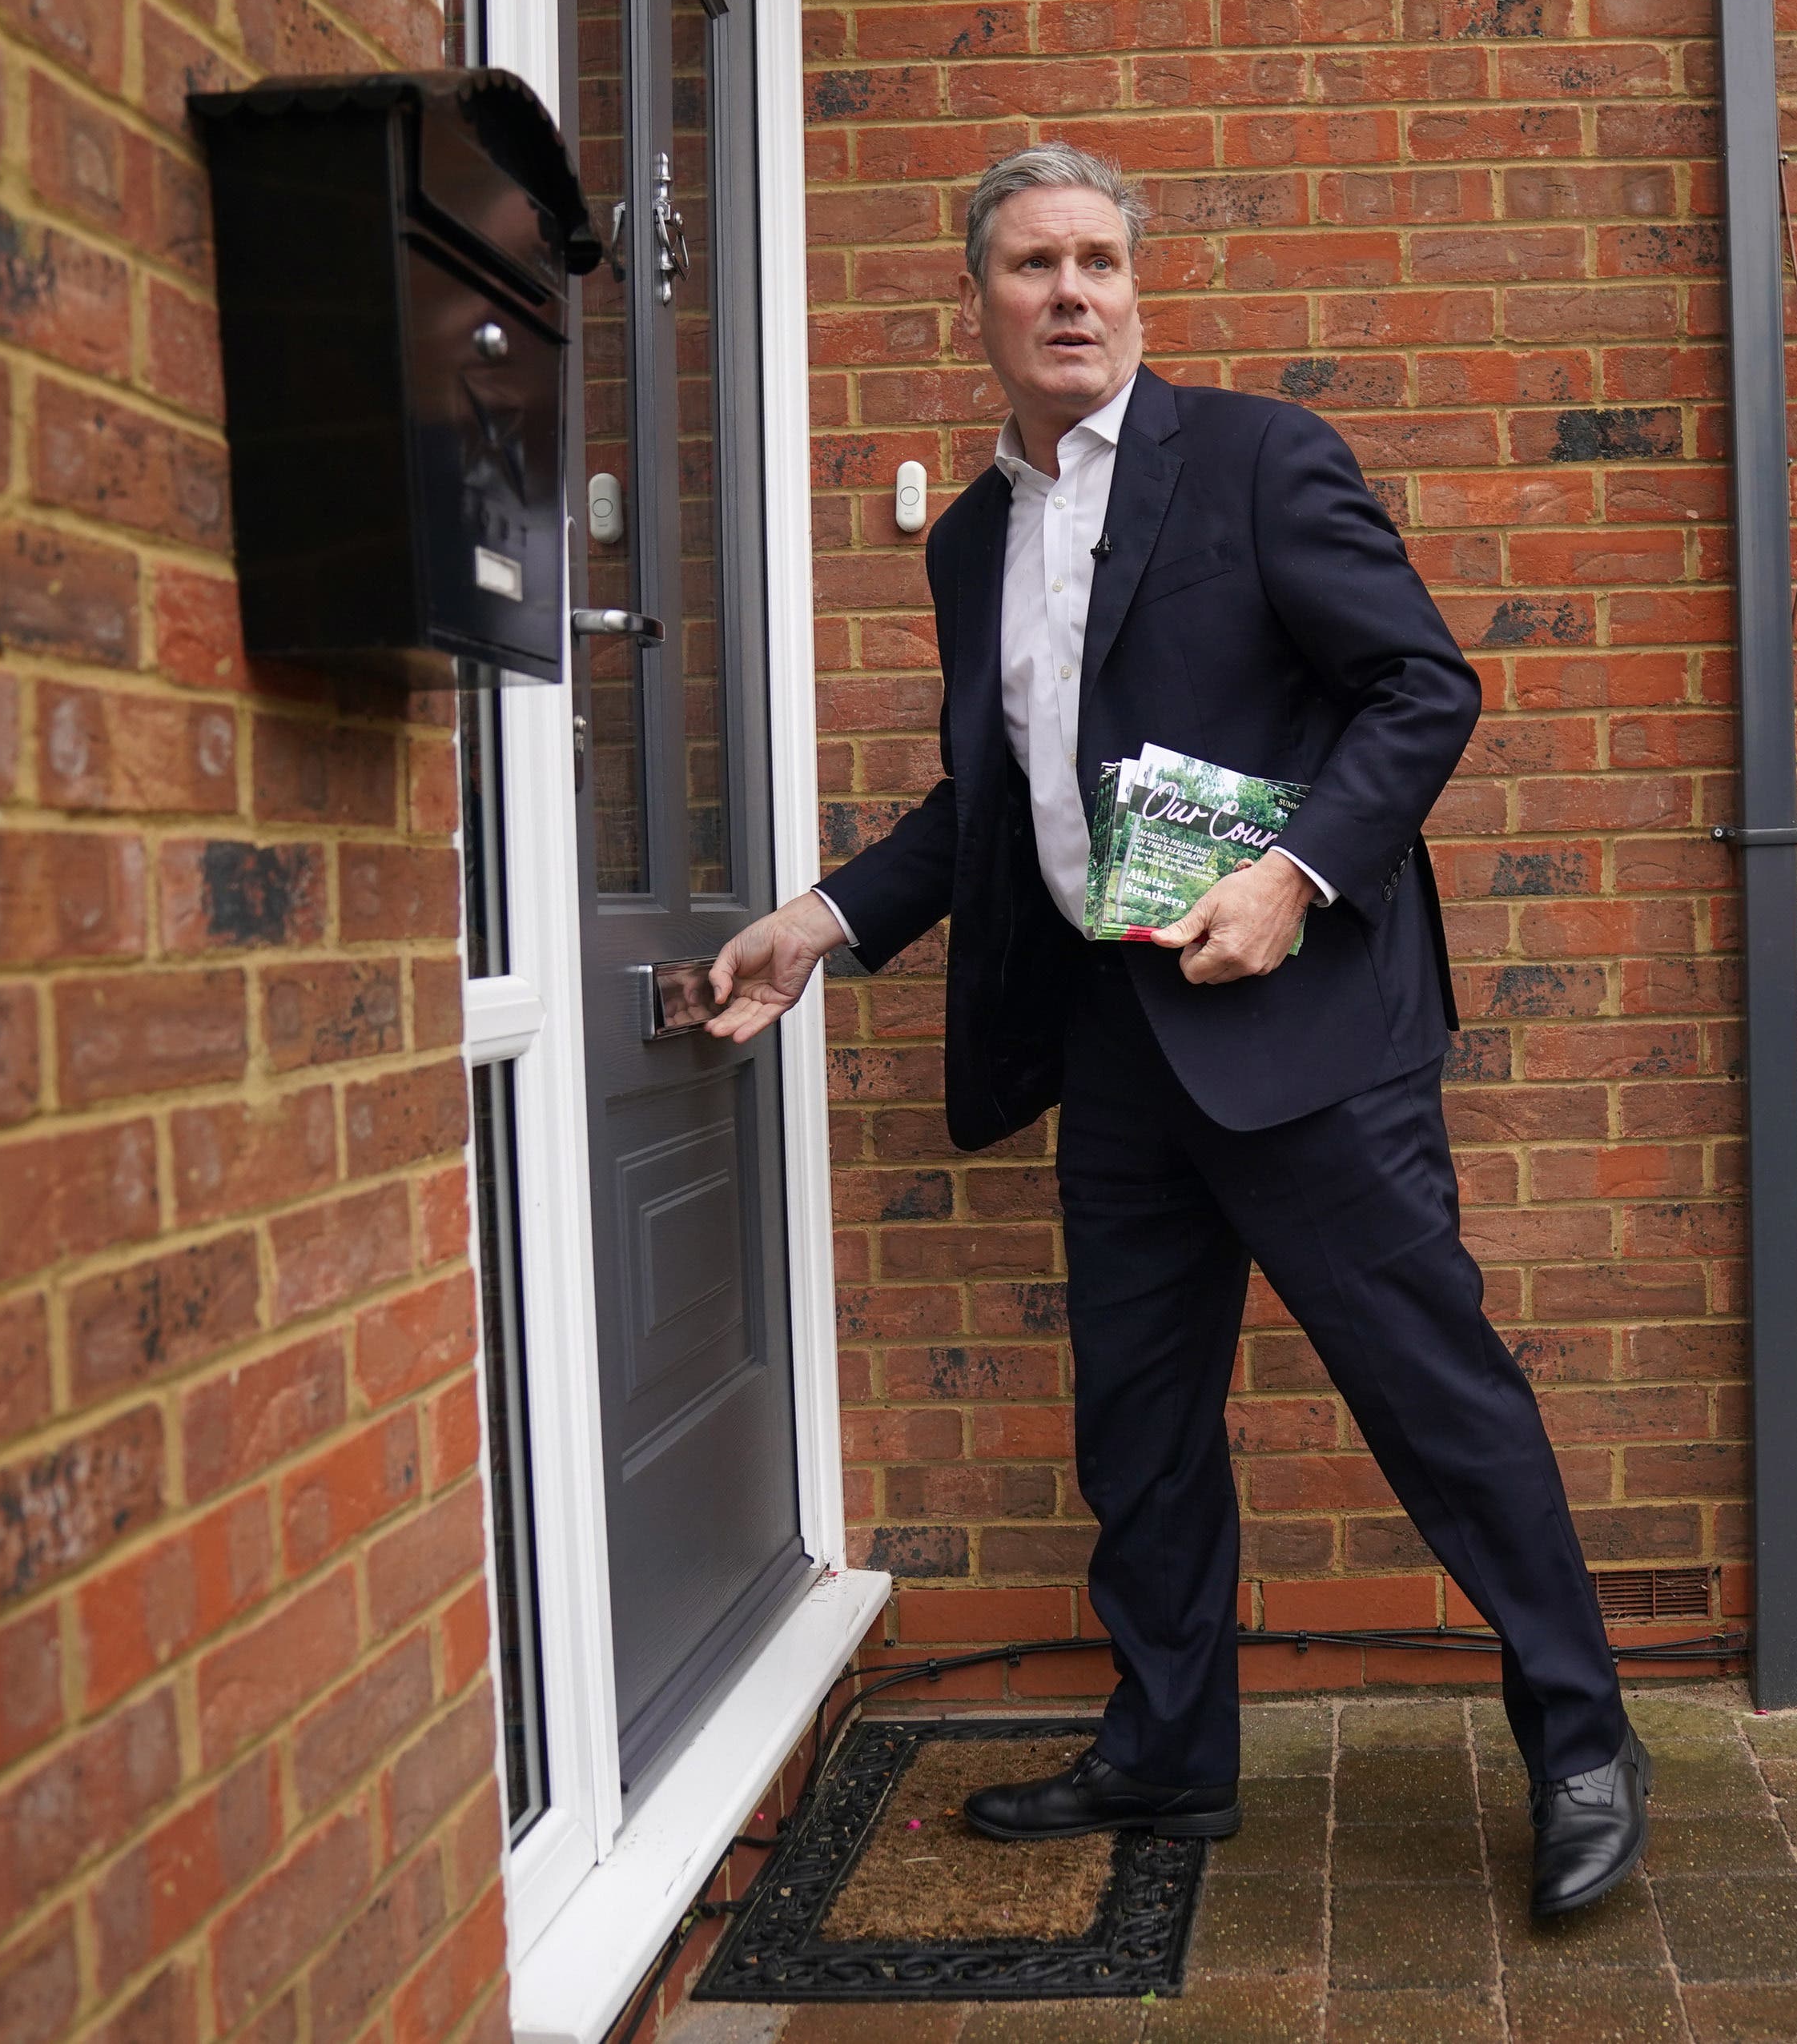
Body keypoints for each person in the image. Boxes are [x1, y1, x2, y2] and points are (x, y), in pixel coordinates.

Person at [695, 144, 1645, 1918]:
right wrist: (822, 924)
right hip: (1115, 1034)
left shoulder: (1262, 460)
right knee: (1135, 1419)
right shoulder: (975, 534)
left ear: (1137, 286)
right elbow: (987, 800)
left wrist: (1292, 874)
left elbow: (1423, 684)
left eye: (1100, 261)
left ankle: (1581, 1733)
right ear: (974, 300)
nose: (1072, 292)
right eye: (1035, 265)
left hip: (1303, 1030)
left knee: (1433, 1394)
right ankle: (1169, 1747)